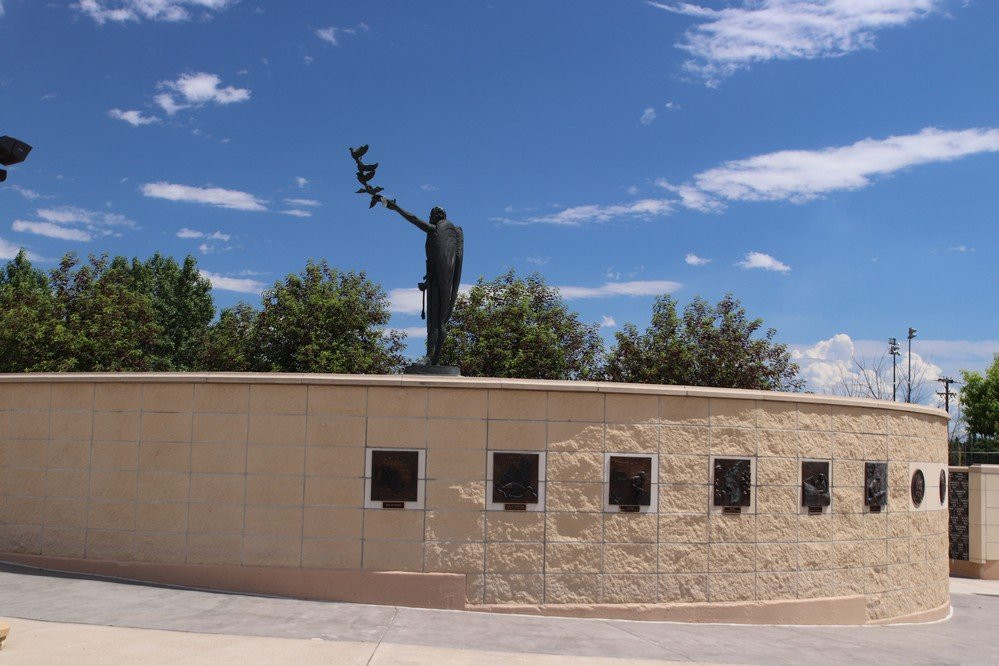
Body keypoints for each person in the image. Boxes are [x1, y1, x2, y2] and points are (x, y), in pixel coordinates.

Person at [380, 199, 463, 366]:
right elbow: (441, 262)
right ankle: (433, 357)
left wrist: (396, 207)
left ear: (439, 216)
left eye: (432, 214)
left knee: (436, 322)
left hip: (439, 284)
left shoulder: (437, 231)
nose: (429, 217)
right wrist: (428, 283)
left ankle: (431, 357)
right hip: (437, 283)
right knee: (437, 321)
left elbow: (413, 218)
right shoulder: (450, 234)